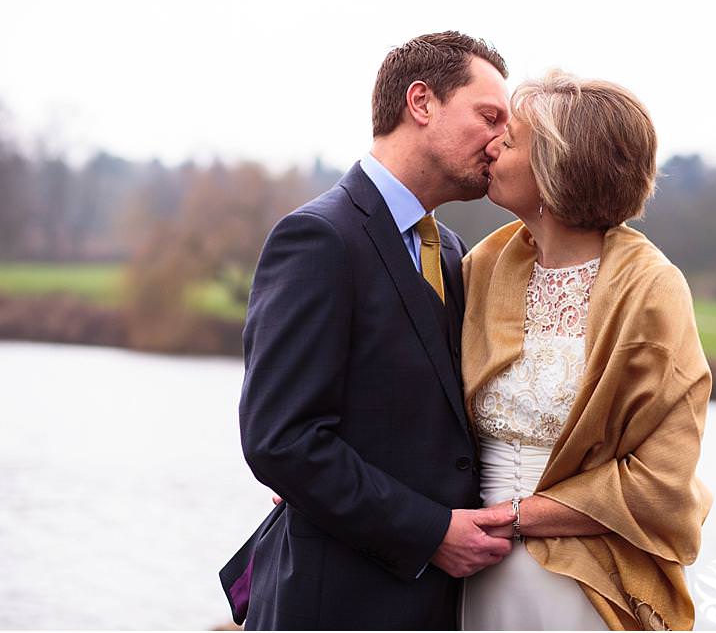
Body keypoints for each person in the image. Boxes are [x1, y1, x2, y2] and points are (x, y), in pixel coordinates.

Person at [219, 31, 519, 630]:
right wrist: (431, 533)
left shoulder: (455, 254)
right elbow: (281, 439)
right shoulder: (318, 238)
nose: (502, 140)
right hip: (334, 604)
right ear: (421, 103)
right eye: (489, 116)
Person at [458, 70, 715, 630]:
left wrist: (515, 517)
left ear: (556, 169)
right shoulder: (482, 266)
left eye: (513, 138)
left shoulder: (652, 290)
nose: (493, 143)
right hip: (472, 563)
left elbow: (661, 481)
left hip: (587, 578)